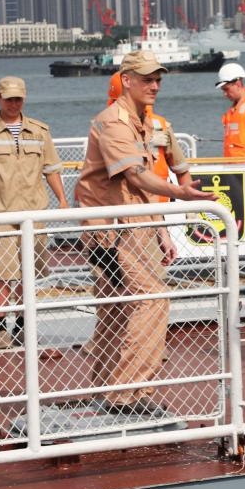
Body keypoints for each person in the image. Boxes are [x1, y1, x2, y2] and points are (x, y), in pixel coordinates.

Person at [75, 49, 216, 417]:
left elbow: (141, 186)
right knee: (152, 299)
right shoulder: (115, 122)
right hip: (113, 230)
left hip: (128, 226)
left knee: (116, 308)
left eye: (158, 79)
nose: (155, 85)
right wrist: (181, 193)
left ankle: (107, 390)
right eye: (147, 79)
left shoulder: (143, 122)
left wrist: (160, 230)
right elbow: (135, 176)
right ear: (127, 80)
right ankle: (128, 393)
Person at [0, 77, 68, 349]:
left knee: (28, 274)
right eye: (8, 99)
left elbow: (51, 169)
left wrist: (62, 200)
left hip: (33, 213)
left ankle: (22, 325)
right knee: (2, 274)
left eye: (18, 99)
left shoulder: (39, 131)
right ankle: (0, 328)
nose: (13, 104)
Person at [106, 71, 192, 202]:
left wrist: (192, 206)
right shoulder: (108, 127)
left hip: (158, 205)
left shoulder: (161, 126)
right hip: (125, 208)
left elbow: (181, 170)